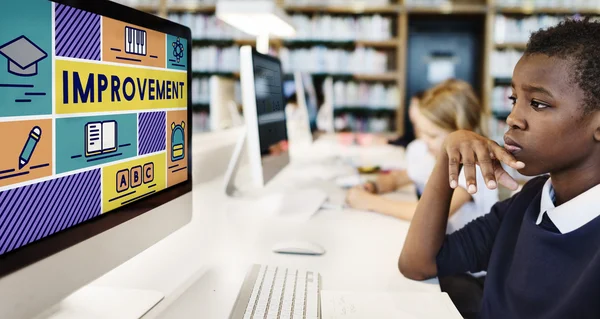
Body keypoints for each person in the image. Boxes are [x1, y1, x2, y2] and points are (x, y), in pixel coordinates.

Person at [399, 19, 600, 319]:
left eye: (539, 104)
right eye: (514, 99)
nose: (513, 118)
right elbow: (418, 264)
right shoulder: (530, 200)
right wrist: (447, 157)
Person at [346, 79, 497, 234]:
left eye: (432, 135)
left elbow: (429, 215)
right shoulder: (433, 155)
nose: (424, 141)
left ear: (461, 133)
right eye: (421, 132)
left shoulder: (474, 169)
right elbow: (398, 179)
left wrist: (370, 202)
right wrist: (373, 186)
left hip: (470, 253)